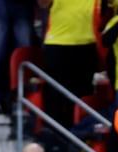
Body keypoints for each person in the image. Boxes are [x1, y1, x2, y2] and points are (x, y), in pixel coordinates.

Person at [40, 0, 100, 132]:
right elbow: (42, 3)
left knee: (82, 98)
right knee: (55, 96)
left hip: (87, 44)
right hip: (57, 43)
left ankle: (77, 139)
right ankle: (53, 141)